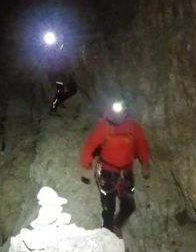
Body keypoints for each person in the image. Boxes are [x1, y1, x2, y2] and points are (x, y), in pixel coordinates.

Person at [79, 99, 150, 234]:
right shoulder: (104, 126)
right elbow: (90, 145)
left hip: (126, 173)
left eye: (121, 112)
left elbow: (142, 146)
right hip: (106, 172)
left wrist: (145, 164)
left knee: (129, 206)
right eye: (115, 112)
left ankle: (117, 224)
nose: (118, 115)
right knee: (108, 207)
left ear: (126, 112)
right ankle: (107, 230)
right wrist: (85, 166)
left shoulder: (133, 127)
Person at [42, 30, 78, 113]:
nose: (60, 39)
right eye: (58, 38)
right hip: (56, 76)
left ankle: (60, 101)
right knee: (60, 92)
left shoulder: (63, 47)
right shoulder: (49, 48)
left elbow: (67, 60)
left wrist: (70, 71)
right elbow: (47, 61)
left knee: (73, 90)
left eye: (61, 38)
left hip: (66, 74)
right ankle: (53, 109)